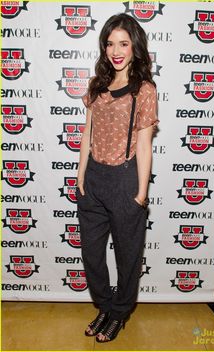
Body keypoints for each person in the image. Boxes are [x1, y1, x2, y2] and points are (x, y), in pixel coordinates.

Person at [76, 12, 158, 343]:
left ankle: (120, 313)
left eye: (123, 43)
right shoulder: (98, 85)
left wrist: (140, 193)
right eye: (110, 43)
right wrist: (80, 176)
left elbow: (144, 144)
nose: (116, 50)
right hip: (93, 180)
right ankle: (106, 306)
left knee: (127, 256)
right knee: (92, 254)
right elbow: (86, 133)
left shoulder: (144, 89)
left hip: (125, 181)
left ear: (135, 47)